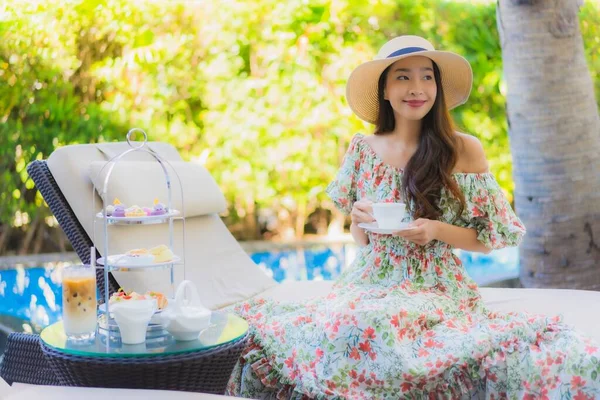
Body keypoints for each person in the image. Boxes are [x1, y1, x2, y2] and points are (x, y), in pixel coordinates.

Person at [226, 36, 600, 399]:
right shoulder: (362, 150)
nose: (416, 87)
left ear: (437, 86)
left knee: (381, 325)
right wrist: (358, 218)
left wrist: (436, 230)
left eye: (426, 76)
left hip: (434, 283)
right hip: (369, 279)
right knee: (340, 325)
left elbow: (488, 240)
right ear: (385, 91)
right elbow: (363, 240)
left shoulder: (464, 149)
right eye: (402, 76)